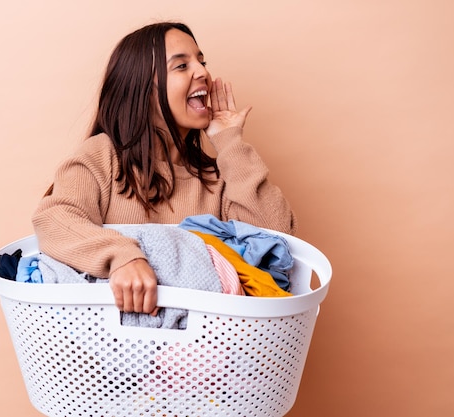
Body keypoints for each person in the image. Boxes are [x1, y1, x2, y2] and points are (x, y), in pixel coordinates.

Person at [32, 21, 297, 316]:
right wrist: (123, 257)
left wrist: (230, 142)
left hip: (202, 353)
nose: (203, 73)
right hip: (109, 350)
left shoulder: (217, 178)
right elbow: (54, 219)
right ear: (143, 89)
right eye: (182, 66)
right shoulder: (102, 156)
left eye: (201, 61)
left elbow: (276, 246)